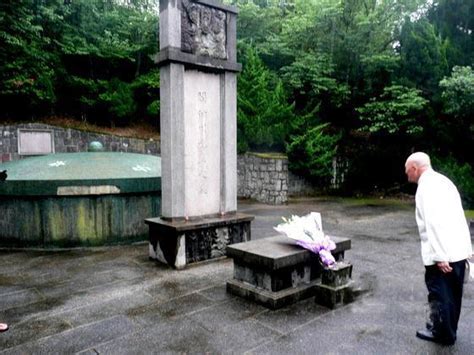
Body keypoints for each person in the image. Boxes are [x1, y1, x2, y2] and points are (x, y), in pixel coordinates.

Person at [405, 152, 472, 345]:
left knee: (440, 294)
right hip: (457, 251)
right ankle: (447, 328)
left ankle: (442, 334)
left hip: (442, 254)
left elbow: (433, 223)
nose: (407, 175)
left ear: (415, 168)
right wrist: (467, 248)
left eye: (407, 171)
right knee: (454, 295)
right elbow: (459, 217)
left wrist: (440, 256)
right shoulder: (445, 182)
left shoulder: (426, 187)